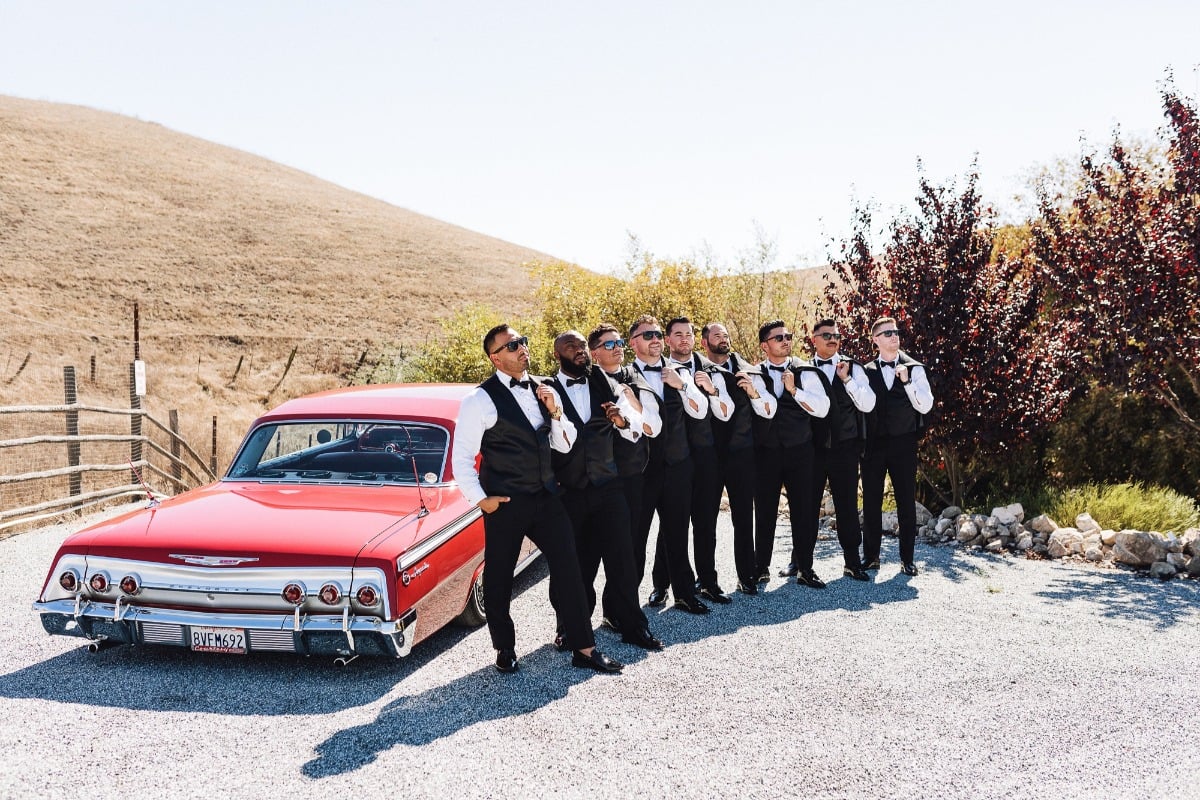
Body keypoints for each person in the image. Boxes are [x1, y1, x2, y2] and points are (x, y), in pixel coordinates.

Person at [450, 324, 623, 674]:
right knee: (498, 578)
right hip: (505, 503)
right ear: (495, 357)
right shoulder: (479, 400)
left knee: (570, 570)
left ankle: (584, 648)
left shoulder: (544, 387)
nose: (521, 348)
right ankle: (505, 648)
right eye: (512, 345)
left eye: (523, 342)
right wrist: (482, 500)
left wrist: (555, 412)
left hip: (546, 497)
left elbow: (565, 443)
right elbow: (461, 458)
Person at [546, 330, 664, 652]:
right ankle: (570, 628)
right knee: (574, 565)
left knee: (623, 560)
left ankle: (633, 626)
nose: (580, 350)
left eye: (583, 345)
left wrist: (623, 422)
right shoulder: (546, 390)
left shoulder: (606, 382)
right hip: (570, 491)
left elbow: (637, 430)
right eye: (572, 347)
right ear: (558, 354)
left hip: (608, 486)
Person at [628, 314, 711, 614]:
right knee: (635, 539)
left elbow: (700, 410)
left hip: (678, 466)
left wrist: (683, 385)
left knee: (677, 533)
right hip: (641, 472)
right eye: (647, 335)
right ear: (633, 342)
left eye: (657, 334)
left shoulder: (678, 371)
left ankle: (685, 595)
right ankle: (625, 604)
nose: (655, 339)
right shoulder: (624, 377)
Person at [651, 316, 733, 605]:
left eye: (688, 333)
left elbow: (725, 412)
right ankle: (660, 584)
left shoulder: (710, 369)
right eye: (678, 334)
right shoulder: (656, 372)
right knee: (672, 525)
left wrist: (710, 389)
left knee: (706, 522)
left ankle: (708, 581)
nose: (684, 338)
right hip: (674, 460)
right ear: (668, 340)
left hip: (707, 457)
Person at [586, 323, 662, 629]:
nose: (617, 347)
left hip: (632, 475)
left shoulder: (634, 377)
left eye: (619, 342)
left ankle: (618, 611)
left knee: (631, 547)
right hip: (597, 477)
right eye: (608, 344)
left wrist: (633, 404)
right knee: (589, 552)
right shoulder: (586, 381)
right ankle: (571, 624)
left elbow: (652, 426)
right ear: (593, 353)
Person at [745, 320, 830, 588]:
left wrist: (794, 390)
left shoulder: (806, 370)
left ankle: (805, 567)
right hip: (766, 453)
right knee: (766, 511)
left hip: (800, 451)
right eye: (778, 337)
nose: (785, 340)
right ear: (764, 345)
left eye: (787, 336)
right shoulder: (754, 374)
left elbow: (822, 408)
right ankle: (760, 568)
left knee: (803, 510)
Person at [860, 316, 935, 576]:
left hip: (904, 444)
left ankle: (907, 559)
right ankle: (870, 557)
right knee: (871, 501)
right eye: (888, 333)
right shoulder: (865, 370)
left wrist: (906, 382)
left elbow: (925, 406)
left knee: (905, 501)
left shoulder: (915, 369)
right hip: (874, 445)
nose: (894, 336)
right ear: (876, 340)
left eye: (896, 332)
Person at [806, 319, 875, 582]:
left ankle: (852, 562)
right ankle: (801, 563)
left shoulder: (853, 367)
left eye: (836, 335)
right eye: (826, 335)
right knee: (807, 507)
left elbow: (868, 403)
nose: (833, 339)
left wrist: (846, 379)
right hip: (811, 451)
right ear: (814, 339)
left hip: (845, 448)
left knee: (847, 506)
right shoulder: (802, 369)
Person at [699, 322, 760, 595]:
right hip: (710, 456)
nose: (723, 339)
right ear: (704, 343)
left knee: (744, 518)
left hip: (742, 454)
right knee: (705, 520)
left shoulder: (748, 370)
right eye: (717, 335)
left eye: (725, 335)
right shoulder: (695, 372)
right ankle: (706, 579)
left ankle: (747, 575)